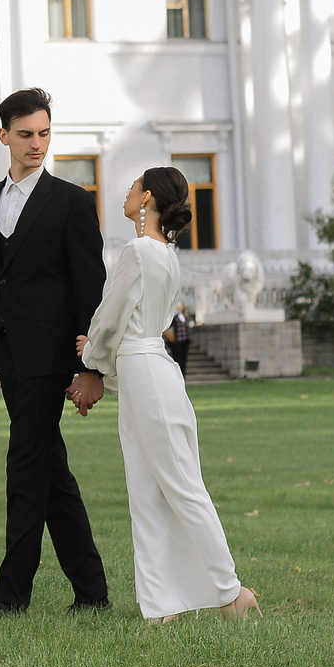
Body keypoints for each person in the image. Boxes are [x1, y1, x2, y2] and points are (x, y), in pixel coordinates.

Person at [0, 87, 114, 617]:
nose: (37, 143)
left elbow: (92, 291)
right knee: (50, 474)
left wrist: (91, 369)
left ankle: (11, 596)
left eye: (44, 133)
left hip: (53, 360)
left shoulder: (71, 201)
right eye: (25, 135)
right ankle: (91, 592)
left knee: (25, 467)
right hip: (9, 361)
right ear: (4, 136)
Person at [78, 167, 258, 625]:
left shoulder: (139, 250)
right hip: (147, 369)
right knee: (145, 490)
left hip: (147, 373)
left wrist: (91, 356)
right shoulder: (166, 254)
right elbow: (140, 323)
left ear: (148, 198)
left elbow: (111, 313)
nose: (127, 191)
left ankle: (230, 591)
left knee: (179, 484)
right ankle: (160, 605)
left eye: (134, 185)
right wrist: (102, 356)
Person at [164, 307, 192, 379]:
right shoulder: (174, 317)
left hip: (184, 342)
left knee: (183, 360)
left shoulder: (184, 317)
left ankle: (183, 376)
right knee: (178, 360)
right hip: (177, 342)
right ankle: (178, 376)